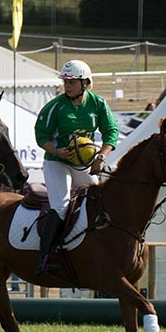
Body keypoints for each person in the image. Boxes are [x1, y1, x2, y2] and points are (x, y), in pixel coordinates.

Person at [33, 59, 119, 270]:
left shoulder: (98, 104)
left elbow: (111, 132)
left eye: (72, 81)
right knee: (61, 206)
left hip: (84, 164)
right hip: (57, 162)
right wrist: (56, 150)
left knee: (99, 200)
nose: (67, 85)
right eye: (65, 81)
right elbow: (41, 134)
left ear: (85, 83)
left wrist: (101, 157)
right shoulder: (55, 106)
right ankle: (46, 256)